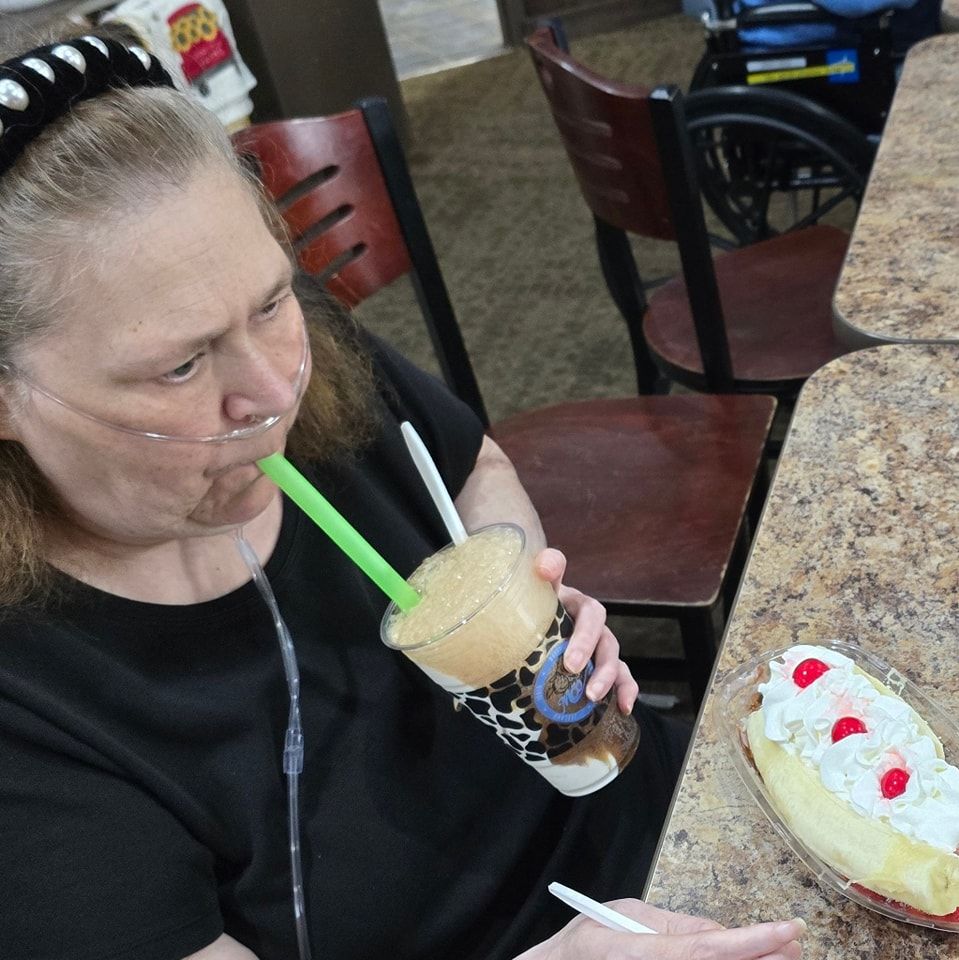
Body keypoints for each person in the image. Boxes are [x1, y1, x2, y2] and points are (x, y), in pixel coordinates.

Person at [0, 30, 807, 960]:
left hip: (664, 808)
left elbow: (477, 467)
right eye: (179, 366)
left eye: (271, 302)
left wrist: (521, 597)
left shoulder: (298, 353)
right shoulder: (29, 717)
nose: (273, 392)